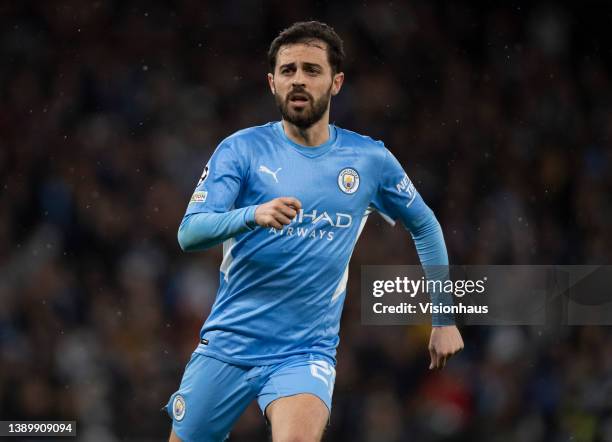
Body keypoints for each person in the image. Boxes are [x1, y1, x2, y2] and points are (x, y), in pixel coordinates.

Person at [165, 21, 464, 442]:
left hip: (303, 353)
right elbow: (189, 233)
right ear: (272, 83)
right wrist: (251, 215)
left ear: (336, 82)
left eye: (311, 69)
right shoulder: (241, 149)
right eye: (288, 71)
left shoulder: (368, 159)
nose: (298, 80)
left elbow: (426, 225)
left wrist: (443, 316)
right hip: (228, 345)